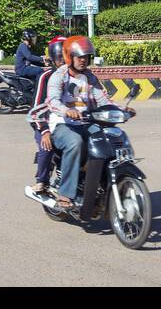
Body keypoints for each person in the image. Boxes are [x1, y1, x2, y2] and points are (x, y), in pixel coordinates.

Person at [45, 37, 133, 209]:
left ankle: (104, 182)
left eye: (86, 56)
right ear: (69, 56)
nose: (84, 60)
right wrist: (66, 110)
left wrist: (121, 110)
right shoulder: (60, 76)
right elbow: (52, 101)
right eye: (79, 56)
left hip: (86, 122)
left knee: (111, 138)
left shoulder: (89, 77)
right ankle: (65, 194)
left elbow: (103, 99)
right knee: (75, 142)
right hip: (63, 124)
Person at [27, 37, 68, 195]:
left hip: (67, 123)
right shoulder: (46, 77)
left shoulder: (75, 76)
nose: (63, 62)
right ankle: (42, 181)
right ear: (53, 59)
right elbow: (37, 108)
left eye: (65, 57)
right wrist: (44, 130)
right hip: (44, 122)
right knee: (47, 145)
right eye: (60, 58)